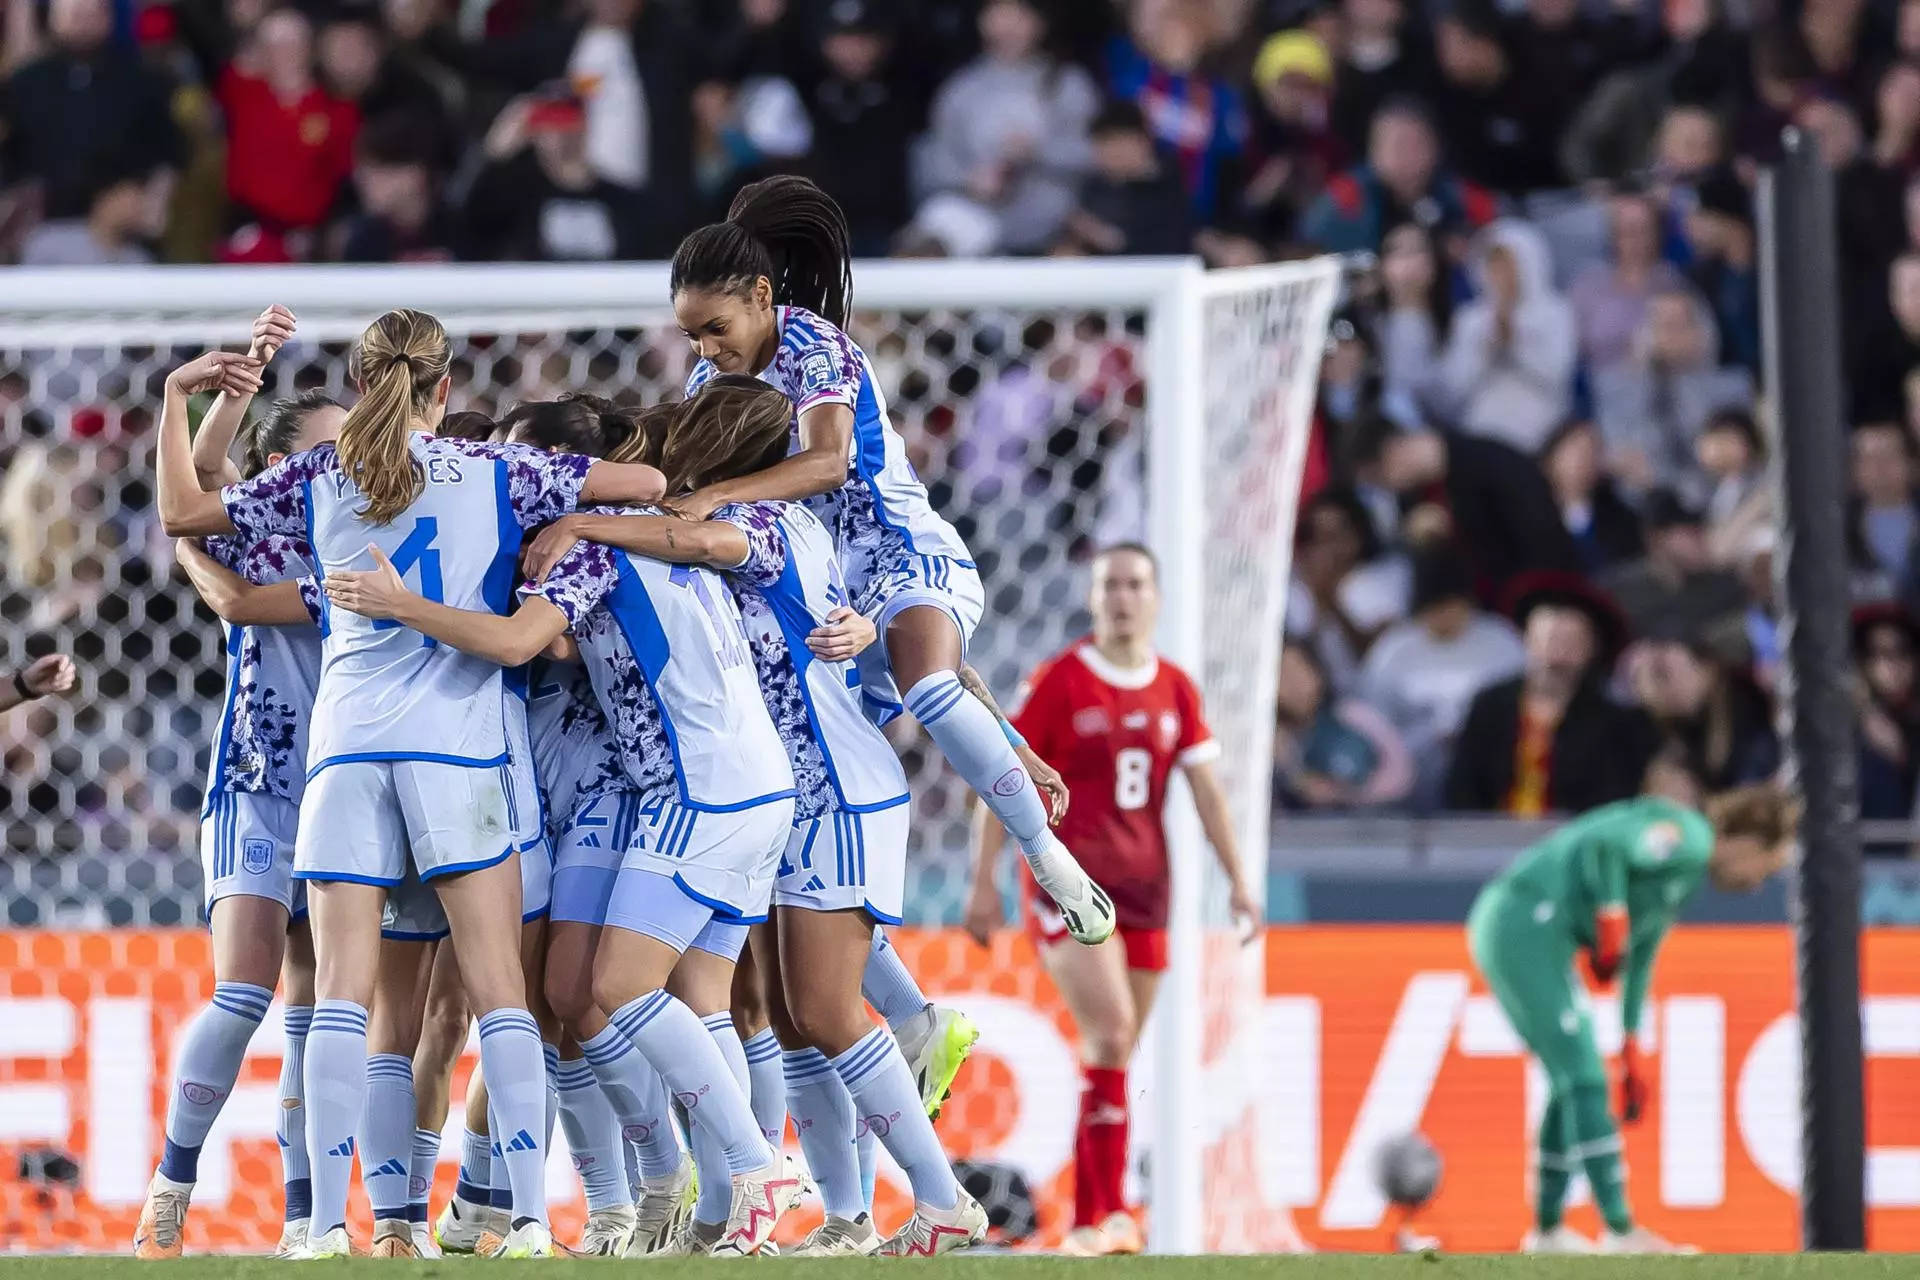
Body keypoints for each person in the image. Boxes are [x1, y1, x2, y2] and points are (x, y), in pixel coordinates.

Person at [153, 307, 666, 1259]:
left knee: (342, 1000)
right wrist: (574, 517)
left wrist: (174, 402)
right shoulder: (503, 470)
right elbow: (649, 481)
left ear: (360, 387)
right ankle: (522, 1221)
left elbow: (184, 513)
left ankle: (313, 1228)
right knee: (499, 993)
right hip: (457, 753)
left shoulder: (321, 471)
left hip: (343, 754)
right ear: (444, 390)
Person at [530, 175, 1106, 947]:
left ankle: (1045, 857)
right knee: (802, 836)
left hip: (902, 559)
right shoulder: (712, 379)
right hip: (819, 595)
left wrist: (711, 497)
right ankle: (910, 1021)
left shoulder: (815, 346)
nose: (705, 349)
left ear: (762, 297)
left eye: (715, 327)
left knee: (929, 686)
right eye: (692, 335)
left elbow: (829, 463)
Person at [317, 380, 801, 1259]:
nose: (508, 475)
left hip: (674, 790)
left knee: (604, 993)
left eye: (526, 462)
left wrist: (557, 535)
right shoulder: (707, 538)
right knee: (623, 997)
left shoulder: (591, 549)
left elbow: (524, 639)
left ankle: (740, 1171)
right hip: (726, 785)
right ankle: (679, 1195)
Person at [536, 374, 989, 1255]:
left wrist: (585, 519)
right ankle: (835, 1213)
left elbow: (703, 539)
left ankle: (919, 1189)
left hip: (819, 784)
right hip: (784, 784)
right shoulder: (758, 533)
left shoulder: (757, 526)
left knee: (814, 1010)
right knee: (779, 1013)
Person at [962, 543, 1259, 1258]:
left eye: (1134, 584)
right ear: (1093, 599)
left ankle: (1099, 1220)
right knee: (1112, 1031)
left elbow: (1207, 795)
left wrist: (1240, 881)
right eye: (1110, 586)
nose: (1122, 597)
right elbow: (1001, 774)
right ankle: (1108, 1213)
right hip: (1068, 886)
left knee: (1114, 1054)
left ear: (1156, 597)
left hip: (1149, 890)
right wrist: (983, 882)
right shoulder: (1061, 681)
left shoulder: (1177, 689)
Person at [133, 308, 341, 1260]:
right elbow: (206, 484)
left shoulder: (357, 543)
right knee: (246, 990)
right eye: (327, 449)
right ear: (282, 469)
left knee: (315, 1007)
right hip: (260, 775)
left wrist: (194, 557)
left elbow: (215, 556)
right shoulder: (259, 521)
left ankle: (305, 1217)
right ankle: (170, 1188)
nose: (343, 461)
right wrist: (208, 392)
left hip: (345, 785)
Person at [1470, 783, 1797, 1254]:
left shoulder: (1680, 879)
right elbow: (1605, 847)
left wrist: (1629, 1043)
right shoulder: (1689, 835)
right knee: (1582, 1078)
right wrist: (1610, 915)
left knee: (1571, 1082)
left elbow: (1639, 960)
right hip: (1525, 921)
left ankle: (1547, 1231)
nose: (1758, 881)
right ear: (1749, 841)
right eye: (1768, 864)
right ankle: (1621, 1231)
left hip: (1528, 928)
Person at [1445, 573, 1653, 815]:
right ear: (1527, 640)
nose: (1557, 656)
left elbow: (1612, 800)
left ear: (1590, 650)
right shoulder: (1490, 706)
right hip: (1492, 841)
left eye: (1571, 643)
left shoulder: (1612, 722)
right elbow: (1462, 788)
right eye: (1549, 640)